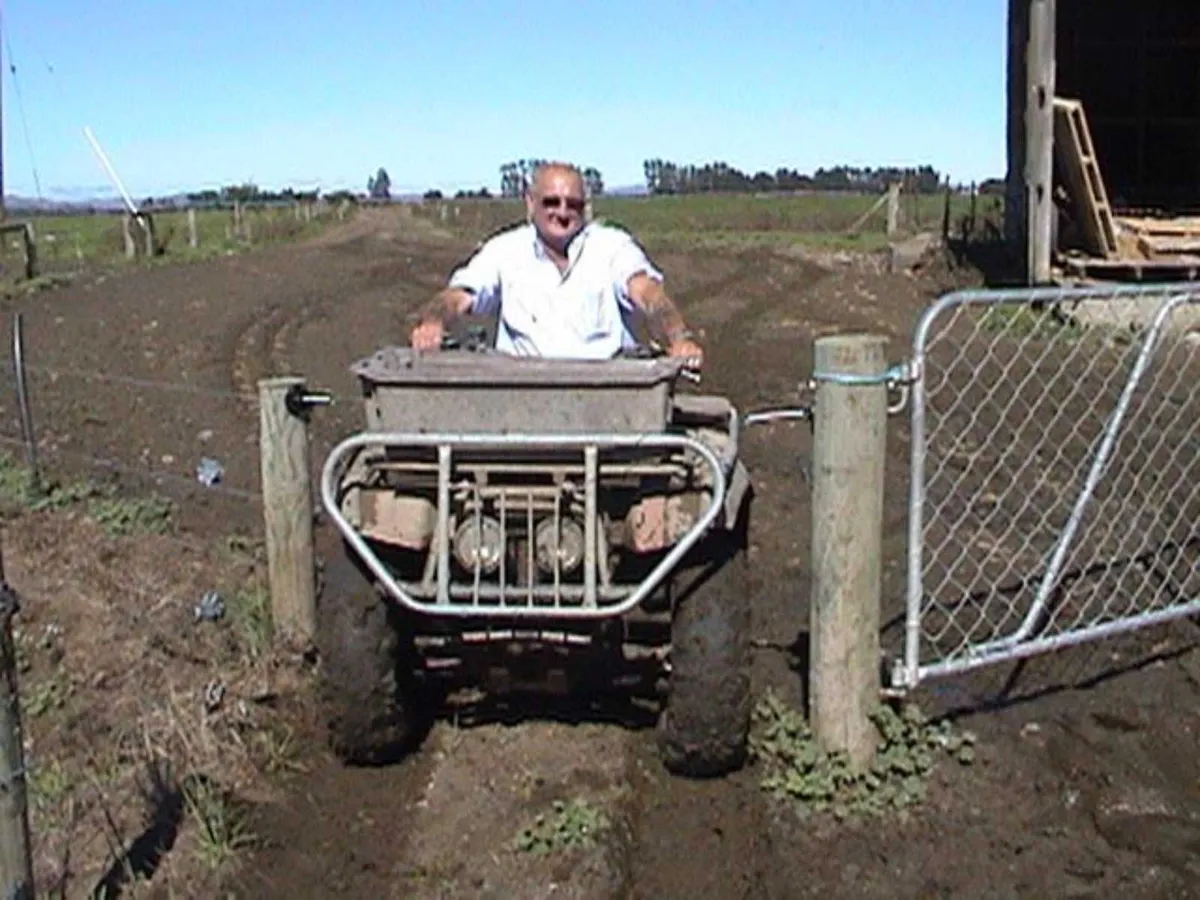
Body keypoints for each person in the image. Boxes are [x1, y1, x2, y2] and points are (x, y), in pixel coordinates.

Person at [409, 162, 704, 368]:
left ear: (586, 207)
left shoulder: (612, 247)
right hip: (522, 398)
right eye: (551, 202)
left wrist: (679, 338)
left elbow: (648, 293)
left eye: (572, 204)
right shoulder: (504, 251)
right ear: (530, 203)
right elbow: (460, 295)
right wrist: (434, 322)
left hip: (608, 398)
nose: (562, 213)